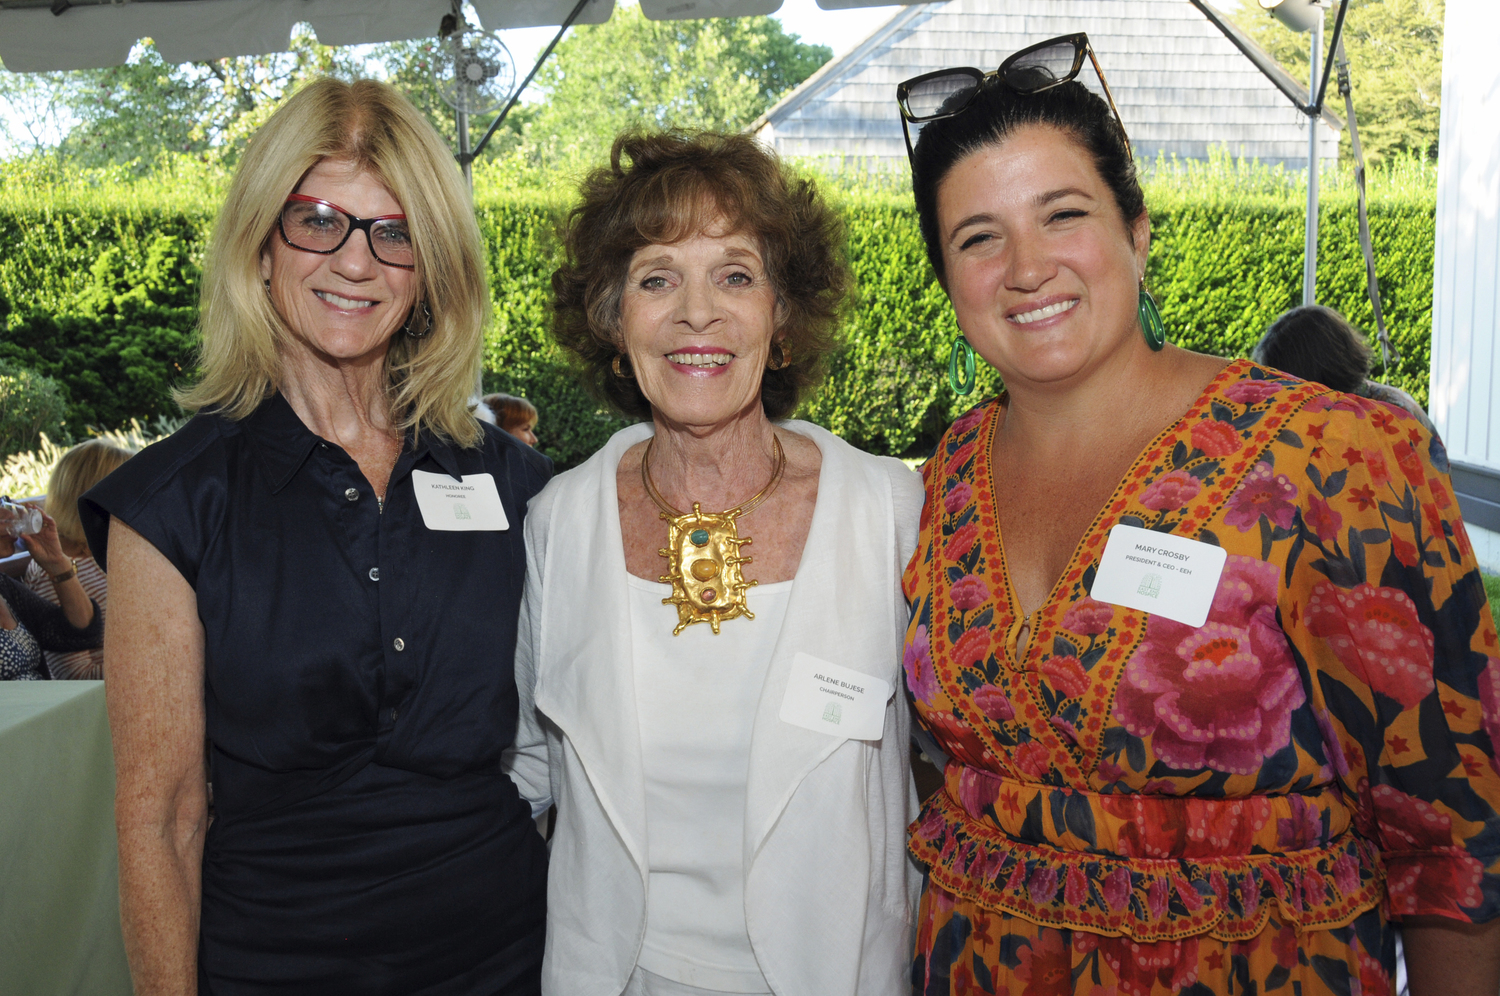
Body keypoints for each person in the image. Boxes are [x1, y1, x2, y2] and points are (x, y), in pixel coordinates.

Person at [894, 34, 1500, 996]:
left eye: (1064, 215)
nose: (1025, 267)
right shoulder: (942, 480)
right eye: (979, 237)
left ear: (1137, 232)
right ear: (946, 276)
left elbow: (1452, 829)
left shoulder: (1330, 461)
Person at [79, 78, 550, 995]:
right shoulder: (175, 504)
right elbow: (162, 821)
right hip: (274, 965)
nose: (358, 261)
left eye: (394, 231)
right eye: (319, 221)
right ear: (260, 245)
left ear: (431, 268)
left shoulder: (513, 479)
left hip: (506, 956)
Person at [506, 131, 921, 996]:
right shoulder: (560, 522)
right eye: (657, 278)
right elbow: (532, 766)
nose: (698, 312)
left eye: (735, 274)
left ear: (782, 321)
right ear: (616, 326)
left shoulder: (889, 513)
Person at [23, 437, 133, 679]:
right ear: (92, 502)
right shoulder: (50, 572)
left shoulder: (105, 553)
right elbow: (74, 676)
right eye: (128, 493)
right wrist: (157, 661)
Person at [1253, 304, 1437, 435]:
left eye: (1286, 384)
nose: (1278, 393)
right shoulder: (1345, 406)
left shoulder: (1389, 417)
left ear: (1314, 380)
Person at [0, 501, 101, 680]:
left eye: (2, 500)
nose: (9, 515)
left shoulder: (5, 588)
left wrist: (57, 564)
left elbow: (82, 633)